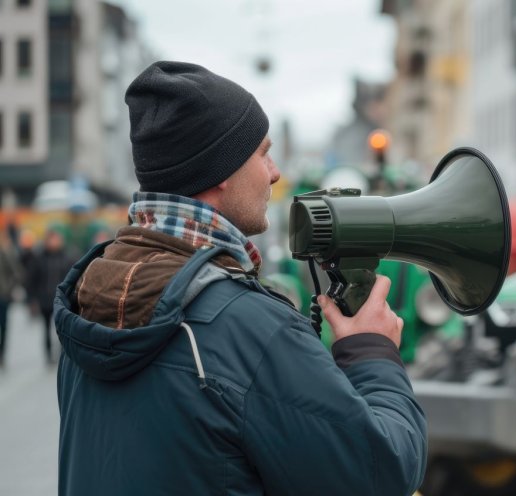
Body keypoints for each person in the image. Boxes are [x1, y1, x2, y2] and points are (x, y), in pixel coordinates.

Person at [54, 61, 426, 496]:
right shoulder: (254, 329)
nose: (274, 172)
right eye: (263, 153)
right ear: (223, 170)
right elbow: (382, 474)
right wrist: (372, 354)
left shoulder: (87, 304)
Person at [26, 226, 73, 364]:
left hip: (61, 300)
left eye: (57, 239)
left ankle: (61, 353)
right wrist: (32, 299)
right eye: (52, 239)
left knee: (60, 328)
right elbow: (31, 279)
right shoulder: (39, 258)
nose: (55, 242)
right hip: (45, 299)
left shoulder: (66, 257)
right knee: (46, 328)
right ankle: (48, 354)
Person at [0, 228, 23, 368]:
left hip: (2, 296)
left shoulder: (6, 253)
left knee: (3, 326)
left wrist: (8, 289)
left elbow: (17, 273)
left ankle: (2, 353)